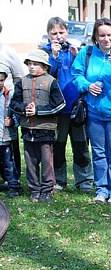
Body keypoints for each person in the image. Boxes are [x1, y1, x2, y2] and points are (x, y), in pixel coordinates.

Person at [71, 18, 111, 204]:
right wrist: (87, 85)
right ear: (95, 37)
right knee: (99, 152)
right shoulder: (87, 53)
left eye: (109, 35)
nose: (106, 39)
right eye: (102, 35)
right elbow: (76, 75)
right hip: (94, 112)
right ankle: (101, 189)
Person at [42, 17, 94, 193]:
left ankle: (84, 179)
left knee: (80, 144)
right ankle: (59, 179)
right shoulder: (45, 53)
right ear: (48, 35)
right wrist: (54, 57)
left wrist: (75, 55)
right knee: (58, 145)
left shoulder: (76, 51)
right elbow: (47, 75)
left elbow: (82, 73)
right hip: (57, 109)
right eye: (54, 33)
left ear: (67, 32)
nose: (58, 36)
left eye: (61, 32)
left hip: (76, 105)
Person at [9, 50, 66, 203]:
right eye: (29, 64)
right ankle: (34, 189)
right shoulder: (21, 81)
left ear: (45, 66)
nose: (31, 67)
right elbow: (14, 103)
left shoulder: (51, 81)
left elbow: (59, 104)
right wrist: (24, 109)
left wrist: (38, 111)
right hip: (28, 129)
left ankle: (47, 190)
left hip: (45, 130)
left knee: (47, 161)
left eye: (35, 64)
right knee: (30, 161)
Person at [0, 21, 27, 180]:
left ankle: (12, 179)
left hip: (6, 107)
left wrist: (13, 103)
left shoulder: (8, 52)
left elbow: (19, 78)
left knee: (9, 144)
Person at [0, 64, 20, 197]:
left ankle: (13, 186)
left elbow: (17, 112)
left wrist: (13, 121)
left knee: (8, 162)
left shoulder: (9, 95)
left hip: (5, 136)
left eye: (1, 80)